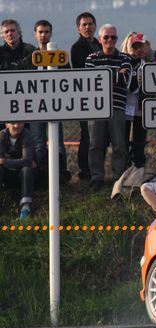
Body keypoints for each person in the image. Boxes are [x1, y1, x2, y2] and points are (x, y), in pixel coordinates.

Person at [85, 24, 132, 191]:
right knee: (95, 144)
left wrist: (104, 75)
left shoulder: (125, 58)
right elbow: (91, 82)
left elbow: (125, 80)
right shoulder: (91, 58)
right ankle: (97, 178)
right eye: (106, 37)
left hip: (117, 107)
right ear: (100, 39)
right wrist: (115, 74)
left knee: (119, 145)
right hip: (96, 108)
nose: (110, 40)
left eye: (113, 37)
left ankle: (118, 179)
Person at [30, 19, 70, 183]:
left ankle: (60, 176)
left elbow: (70, 81)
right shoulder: (30, 57)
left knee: (58, 143)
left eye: (46, 32)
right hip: (34, 108)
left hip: (56, 107)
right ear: (35, 34)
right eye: (40, 32)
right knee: (38, 143)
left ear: (51, 33)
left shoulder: (61, 57)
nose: (43, 35)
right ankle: (40, 178)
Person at [70, 12, 100, 181]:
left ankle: (96, 169)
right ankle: (84, 170)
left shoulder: (99, 43)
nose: (87, 27)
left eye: (90, 24)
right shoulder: (77, 47)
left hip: (100, 99)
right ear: (78, 28)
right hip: (86, 98)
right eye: (84, 25)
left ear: (95, 26)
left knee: (98, 137)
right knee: (86, 135)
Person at [120, 32, 148, 170]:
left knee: (140, 139)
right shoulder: (122, 62)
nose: (138, 49)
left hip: (140, 106)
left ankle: (139, 166)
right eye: (135, 46)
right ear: (128, 45)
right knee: (123, 139)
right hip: (125, 105)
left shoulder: (145, 64)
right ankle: (124, 167)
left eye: (140, 46)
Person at [0, 123, 35, 219]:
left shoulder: (27, 135)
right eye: (13, 123)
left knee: (27, 169)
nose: (16, 126)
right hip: (7, 173)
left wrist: (5, 161)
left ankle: (25, 207)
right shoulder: (1, 135)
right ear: (7, 125)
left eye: (19, 123)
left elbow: (27, 161)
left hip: (22, 175)